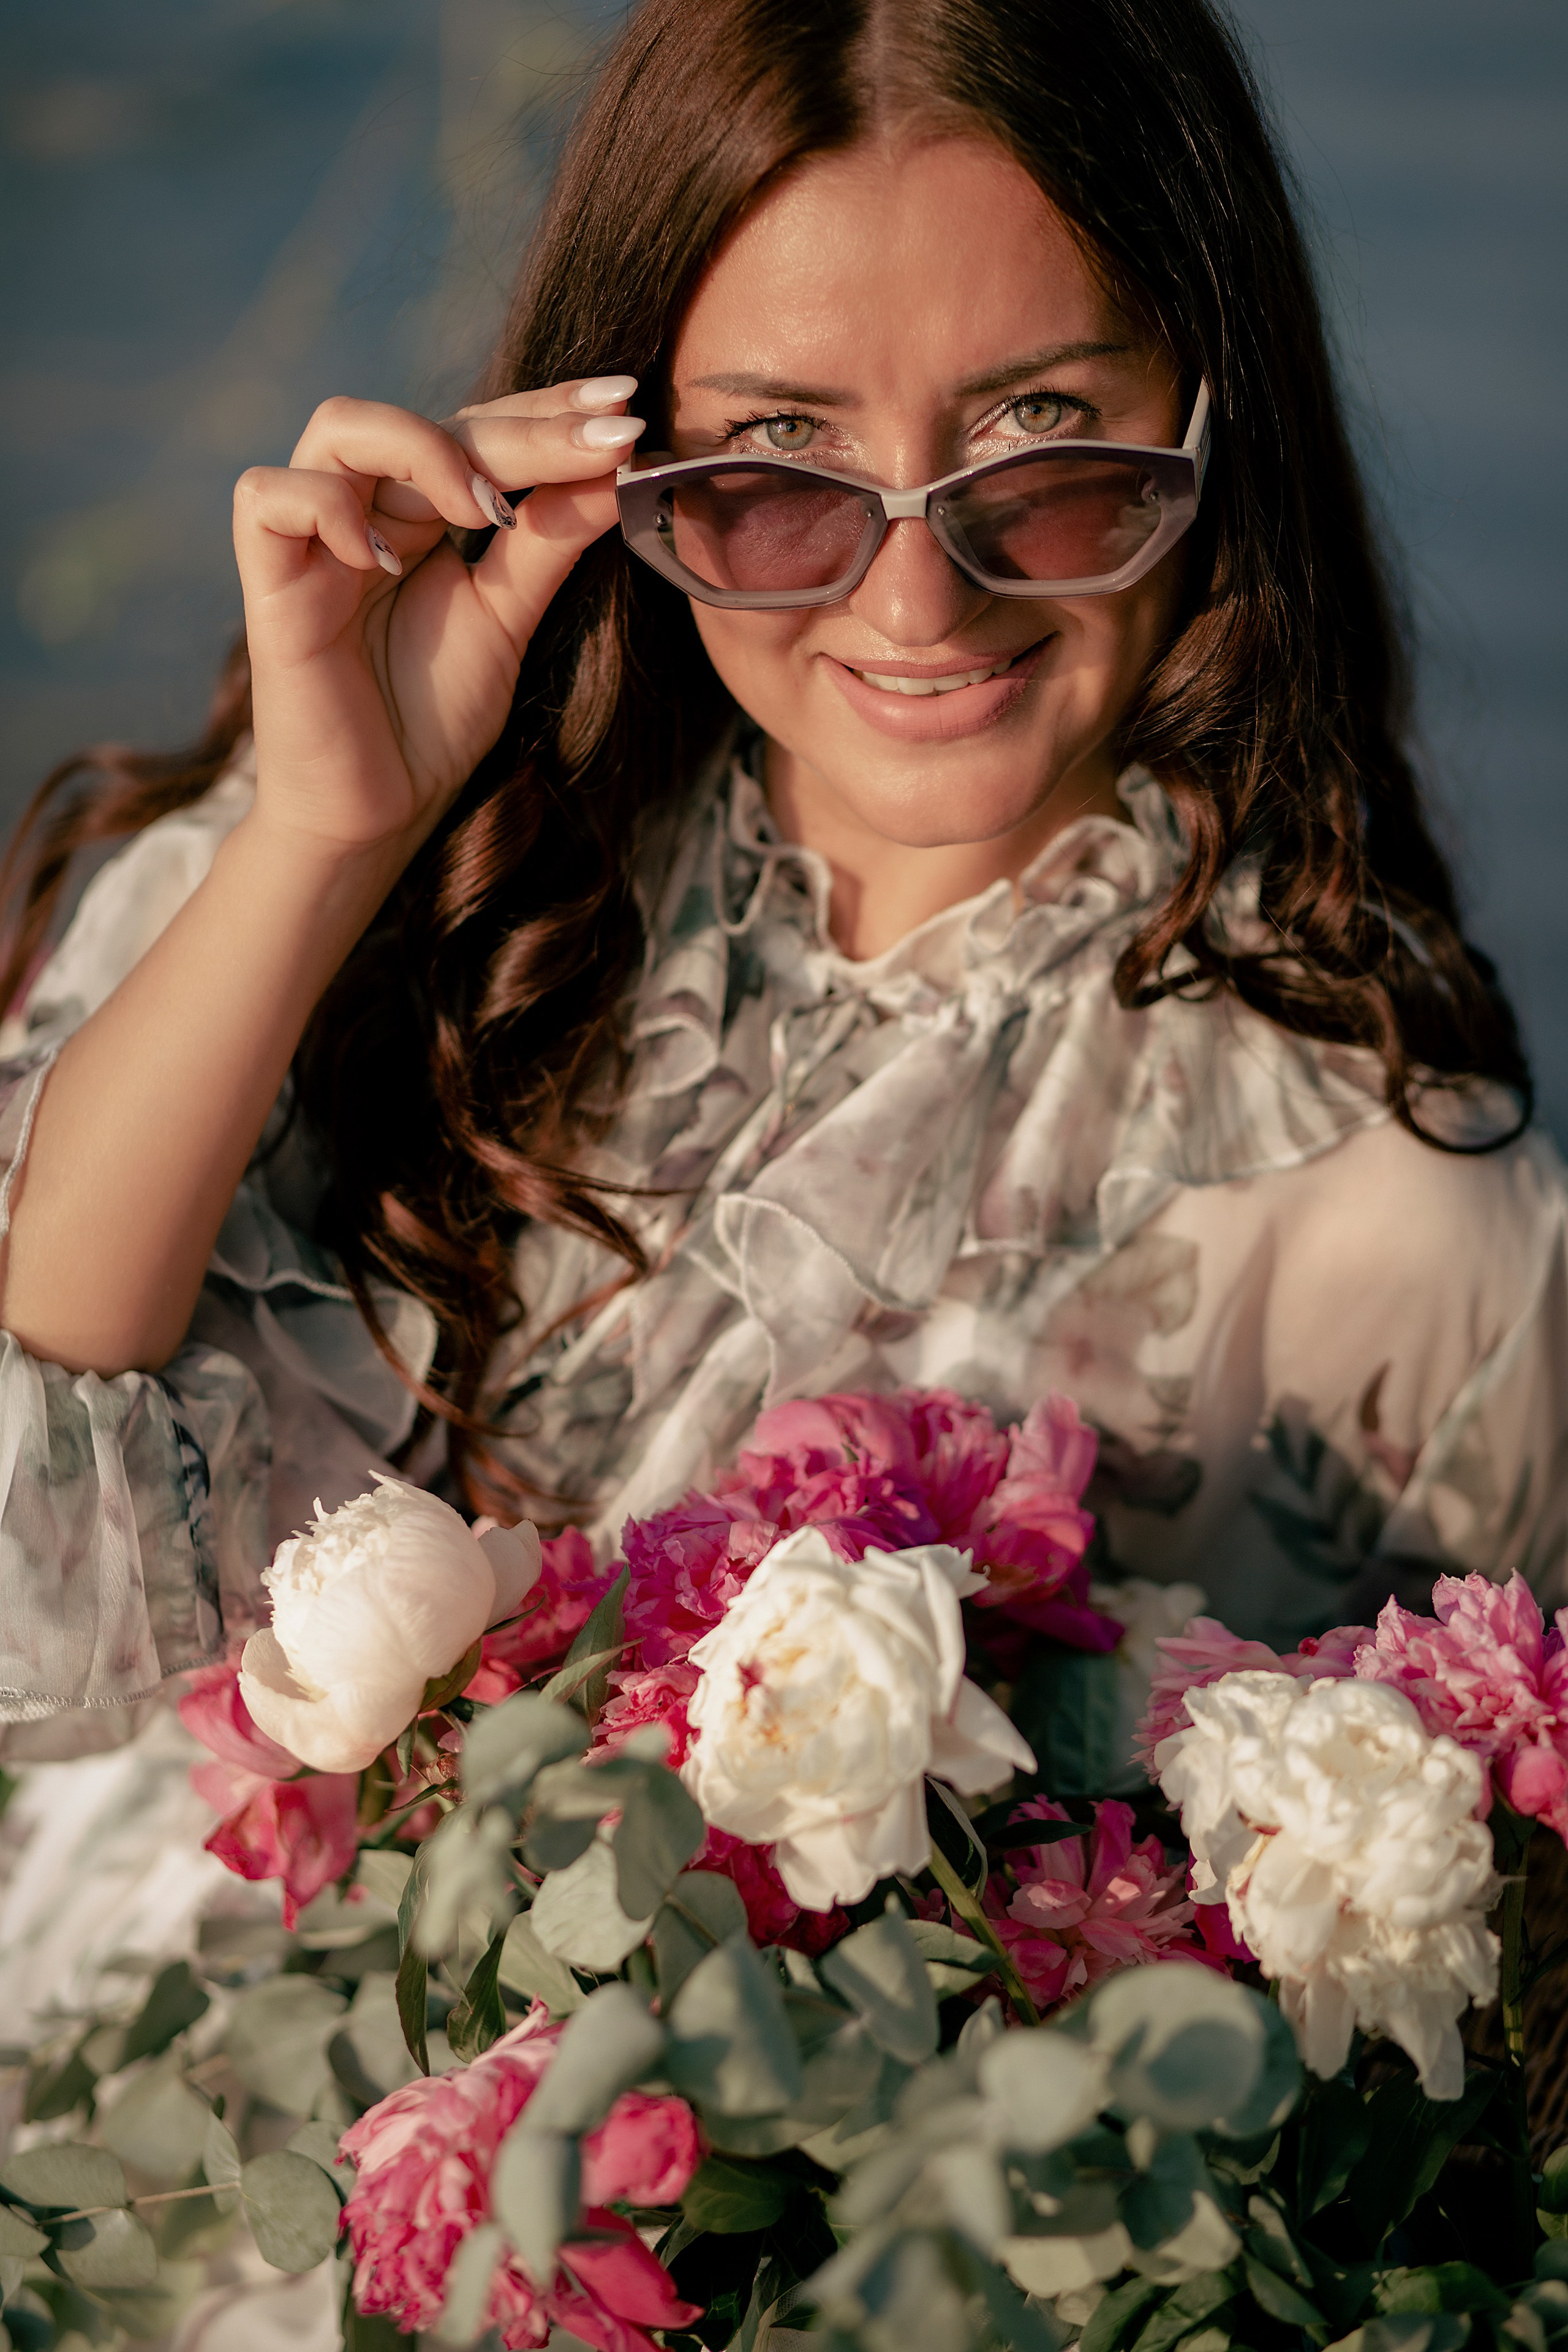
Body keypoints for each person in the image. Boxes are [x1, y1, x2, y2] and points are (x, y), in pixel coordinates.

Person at [1, 0, 1564, 1788]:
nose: (919, 606)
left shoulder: (1397, 1231)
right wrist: (323, 838)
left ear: (1215, 425)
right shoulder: (398, 855)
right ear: (630, 460)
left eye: (1045, 434)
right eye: (781, 464)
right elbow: (31, 1587)